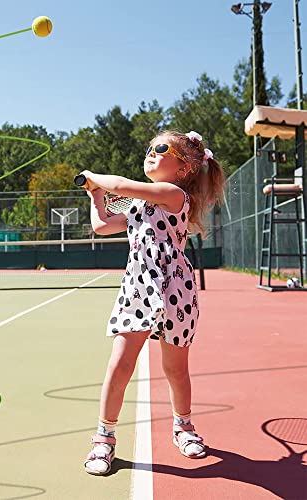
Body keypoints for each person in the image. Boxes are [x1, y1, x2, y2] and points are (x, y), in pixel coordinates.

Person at [81, 130, 226, 476]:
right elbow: (101, 225)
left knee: (176, 369)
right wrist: (95, 194)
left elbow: (119, 182)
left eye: (161, 149)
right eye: (149, 148)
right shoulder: (139, 205)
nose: (151, 152)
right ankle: (104, 437)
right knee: (120, 364)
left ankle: (184, 426)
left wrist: (94, 177)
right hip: (139, 287)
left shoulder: (173, 195)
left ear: (183, 168)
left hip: (176, 288)